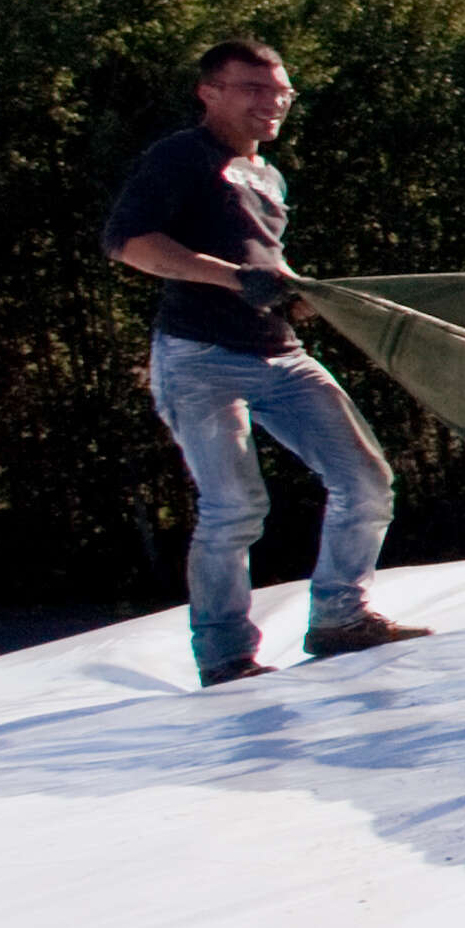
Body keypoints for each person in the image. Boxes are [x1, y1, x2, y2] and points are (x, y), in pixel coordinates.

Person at [101, 39, 427, 686]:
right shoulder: (180, 157)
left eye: (281, 92)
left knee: (365, 479)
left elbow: (261, 266)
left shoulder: (267, 174)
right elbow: (127, 242)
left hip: (280, 353)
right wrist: (233, 278)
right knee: (234, 506)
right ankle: (225, 657)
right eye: (253, 88)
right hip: (199, 358)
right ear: (209, 92)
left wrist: (297, 295)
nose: (272, 102)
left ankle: (338, 617)